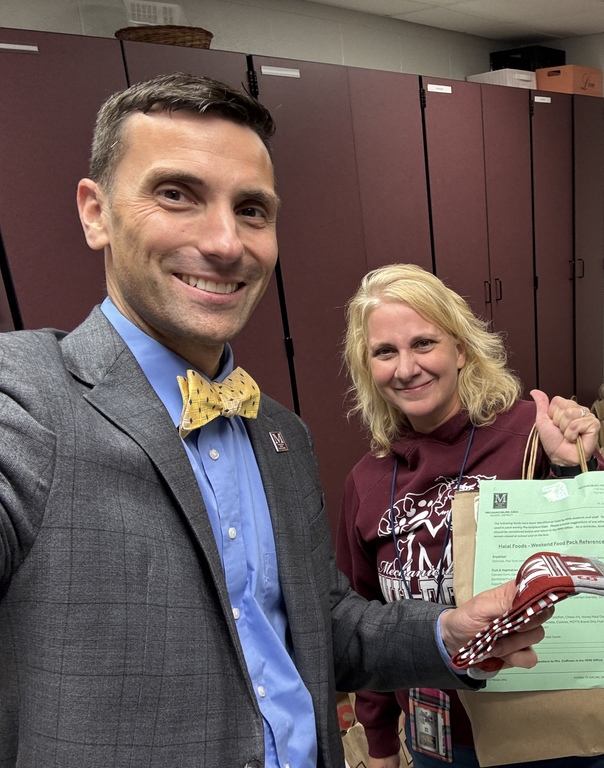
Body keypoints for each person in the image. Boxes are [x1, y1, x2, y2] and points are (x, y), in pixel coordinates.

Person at [0, 73, 549, 768]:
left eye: (252, 209)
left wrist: (447, 633)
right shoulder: (29, 398)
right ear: (95, 211)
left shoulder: (280, 435)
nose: (227, 242)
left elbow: (326, 628)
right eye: (177, 194)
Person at [337, 264, 604, 768]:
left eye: (423, 343)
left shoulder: (532, 432)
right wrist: (379, 745)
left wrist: (575, 466)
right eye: (385, 351)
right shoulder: (366, 481)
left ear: (461, 350)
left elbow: (601, 550)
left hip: (550, 722)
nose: (405, 368)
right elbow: (363, 615)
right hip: (440, 738)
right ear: (366, 367)